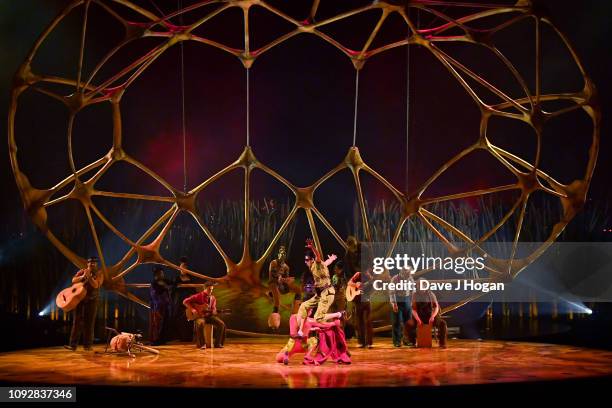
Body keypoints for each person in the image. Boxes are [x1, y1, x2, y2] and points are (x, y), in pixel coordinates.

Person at [296, 239, 344, 338]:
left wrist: (312, 246)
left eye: (307, 260)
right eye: (305, 260)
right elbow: (326, 263)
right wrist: (331, 259)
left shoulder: (317, 263)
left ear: (312, 260)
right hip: (319, 294)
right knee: (304, 306)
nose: (306, 262)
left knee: (318, 318)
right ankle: (300, 331)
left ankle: (338, 314)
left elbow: (318, 256)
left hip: (327, 292)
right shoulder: (316, 266)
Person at [65, 256, 104, 351]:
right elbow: (73, 280)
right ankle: (72, 345)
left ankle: (87, 346)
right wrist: (83, 276)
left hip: (92, 300)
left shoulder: (99, 273)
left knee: (89, 323)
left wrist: (89, 277)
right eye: (90, 262)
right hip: (80, 300)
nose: (92, 264)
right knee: (77, 322)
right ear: (88, 263)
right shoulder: (82, 271)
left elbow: (96, 285)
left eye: (94, 262)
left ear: (96, 264)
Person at [183, 282, 226, 349]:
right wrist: (192, 309)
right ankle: (202, 344)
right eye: (209, 289)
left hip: (209, 316)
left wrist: (214, 311)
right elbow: (185, 301)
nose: (211, 291)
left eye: (212, 289)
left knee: (221, 324)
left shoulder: (213, 298)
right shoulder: (198, 296)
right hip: (200, 316)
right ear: (205, 289)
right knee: (201, 323)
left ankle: (218, 343)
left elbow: (213, 308)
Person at [348, 268, 374, 348]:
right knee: (359, 322)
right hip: (358, 301)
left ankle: (369, 343)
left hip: (366, 301)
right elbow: (349, 283)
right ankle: (361, 342)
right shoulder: (358, 274)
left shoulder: (371, 277)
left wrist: (369, 292)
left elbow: (372, 289)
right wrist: (356, 285)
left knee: (368, 322)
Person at [149, 266, 174, 345]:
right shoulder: (154, 283)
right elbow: (155, 294)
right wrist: (165, 287)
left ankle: (163, 339)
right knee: (157, 324)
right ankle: (156, 340)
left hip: (165, 306)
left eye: (162, 273)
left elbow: (172, 283)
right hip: (157, 306)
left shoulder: (164, 281)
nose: (162, 275)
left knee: (164, 323)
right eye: (160, 273)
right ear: (156, 275)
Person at [172, 256, 196, 341]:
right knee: (179, 318)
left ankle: (188, 337)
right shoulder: (177, 278)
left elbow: (194, 290)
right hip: (180, 301)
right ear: (179, 268)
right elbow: (173, 289)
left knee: (189, 318)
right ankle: (180, 337)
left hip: (189, 301)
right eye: (182, 267)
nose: (184, 268)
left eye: (185, 267)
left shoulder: (191, 278)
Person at [389, 268, 415, 347]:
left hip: (407, 300)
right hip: (398, 300)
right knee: (397, 322)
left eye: (409, 273)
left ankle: (406, 340)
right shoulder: (395, 279)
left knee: (407, 322)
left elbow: (413, 290)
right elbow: (391, 292)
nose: (409, 274)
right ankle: (397, 341)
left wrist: (411, 301)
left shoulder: (410, 278)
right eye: (407, 273)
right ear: (402, 272)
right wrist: (394, 304)